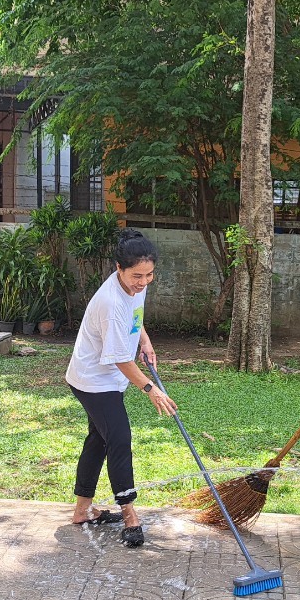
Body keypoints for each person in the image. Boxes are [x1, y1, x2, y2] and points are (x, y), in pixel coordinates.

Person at [66, 228, 177, 548]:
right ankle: (130, 514)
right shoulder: (110, 301)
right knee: (118, 438)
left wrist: (144, 340)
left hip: (107, 378)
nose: (143, 282)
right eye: (137, 276)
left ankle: (82, 511)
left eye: (149, 275)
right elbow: (119, 361)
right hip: (93, 381)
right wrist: (151, 389)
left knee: (99, 440)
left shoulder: (134, 286)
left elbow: (136, 315)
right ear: (119, 269)